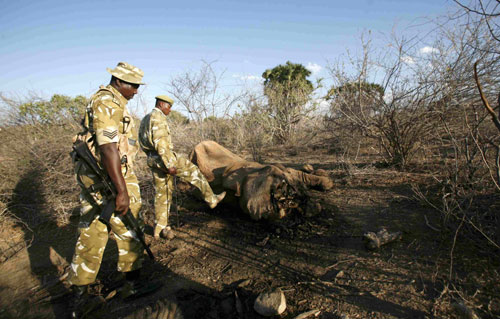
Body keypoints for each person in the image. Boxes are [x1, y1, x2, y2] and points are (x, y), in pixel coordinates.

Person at [68, 62, 156, 318]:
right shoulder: (107, 102)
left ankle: (80, 296)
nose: (137, 91)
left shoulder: (109, 101)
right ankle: (132, 285)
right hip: (108, 177)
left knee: (93, 228)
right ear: (119, 82)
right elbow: (108, 148)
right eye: (134, 85)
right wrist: (121, 191)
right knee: (127, 226)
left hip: (99, 177)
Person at [138, 95, 226, 239]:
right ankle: (211, 199)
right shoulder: (158, 118)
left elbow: (143, 142)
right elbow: (162, 144)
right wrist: (170, 165)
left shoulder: (146, 118)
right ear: (161, 104)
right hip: (164, 159)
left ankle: (160, 229)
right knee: (194, 172)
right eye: (169, 106)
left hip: (153, 160)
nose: (170, 110)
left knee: (162, 194)